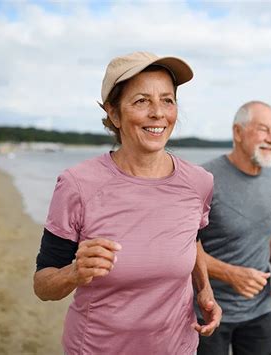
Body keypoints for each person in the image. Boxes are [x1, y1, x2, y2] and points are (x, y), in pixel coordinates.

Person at [33, 51, 221, 354]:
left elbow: (192, 239)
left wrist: (205, 290)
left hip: (179, 347)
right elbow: (42, 285)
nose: (158, 113)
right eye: (142, 101)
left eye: (167, 100)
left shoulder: (199, 182)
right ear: (114, 114)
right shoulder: (78, 185)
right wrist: (74, 273)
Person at [195, 101, 271, 355]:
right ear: (237, 132)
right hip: (210, 311)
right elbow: (182, 247)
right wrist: (230, 274)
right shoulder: (204, 179)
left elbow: (267, 224)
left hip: (260, 311)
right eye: (263, 130)